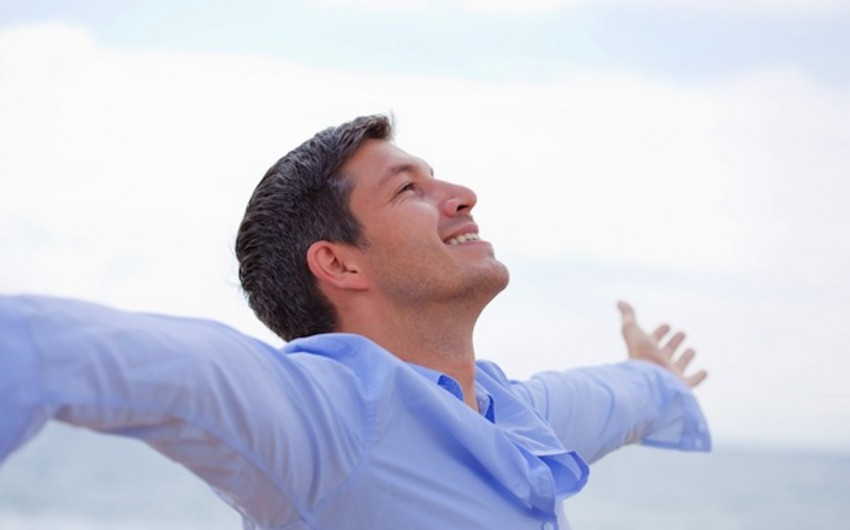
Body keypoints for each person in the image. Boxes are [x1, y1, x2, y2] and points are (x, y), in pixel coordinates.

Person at [0, 114, 710, 529]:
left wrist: (654, 375)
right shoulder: (329, 418)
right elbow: (69, 350)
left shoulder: (516, 416)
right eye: (409, 189)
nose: (463, 195)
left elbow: (625, 396)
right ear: (339, 263)